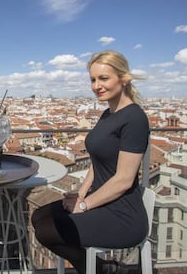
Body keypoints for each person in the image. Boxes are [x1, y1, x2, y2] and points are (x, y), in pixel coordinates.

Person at [31, 50, 150, 274]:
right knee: (38, 217)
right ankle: (100, 268)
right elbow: (97, 162)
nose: (96, 85)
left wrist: (84, 206)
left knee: (46, 231)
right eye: (93, 79)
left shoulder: (134, 118)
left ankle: (100, 269)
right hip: (100, 200)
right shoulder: (107, 114)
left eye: (104, 78)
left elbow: (124, 180)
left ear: (123, 78)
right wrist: (82, 193)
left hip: (122, 214)